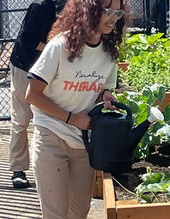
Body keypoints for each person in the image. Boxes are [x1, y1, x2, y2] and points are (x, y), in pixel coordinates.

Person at [25, 0, 126, 218]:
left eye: (117, 12)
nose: (113, 18)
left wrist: (105, 97)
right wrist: (71, 118)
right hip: (51, 134)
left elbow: (101, 90)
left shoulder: (109, 53)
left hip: (84, 142)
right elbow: (32, 95)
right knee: (56, 214)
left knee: (79, 212)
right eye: (106, 11)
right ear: (88, 10)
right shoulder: (59, 46)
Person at [9, 0, 67, 189]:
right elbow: (28, 41)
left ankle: (54, 168)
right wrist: (57, 46)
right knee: (22, 118)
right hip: (24, 64)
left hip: (51, 68)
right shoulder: (40, 6)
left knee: (53, 115)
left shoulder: (73, 5)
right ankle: (18, 170)